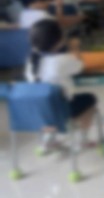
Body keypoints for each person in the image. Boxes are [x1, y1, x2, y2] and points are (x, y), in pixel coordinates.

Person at [27, 19, 98, 152]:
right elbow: (80, 66)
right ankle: (83, 140)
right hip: (62, 111)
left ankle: (49, 139)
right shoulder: (62, 61)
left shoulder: (31, 61)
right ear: (59, 40)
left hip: (39, 111)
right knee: (90, 99)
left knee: (50, 103)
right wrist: (75, 47)